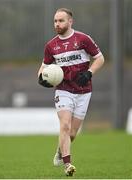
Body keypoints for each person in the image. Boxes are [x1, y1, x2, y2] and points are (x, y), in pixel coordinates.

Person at [38, 8, 104, 176]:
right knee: (65, 126)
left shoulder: (83, 39)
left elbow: (99, 58)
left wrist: (89, 73)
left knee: (72, 133)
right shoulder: (51, 46)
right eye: (55, 21)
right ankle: (68, 165)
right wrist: (41, 78)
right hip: (64, 90)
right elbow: (43, 68)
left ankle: (61, 151)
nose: (57, 24)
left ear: (70, 22)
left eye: (61, 21)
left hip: (84, 91)